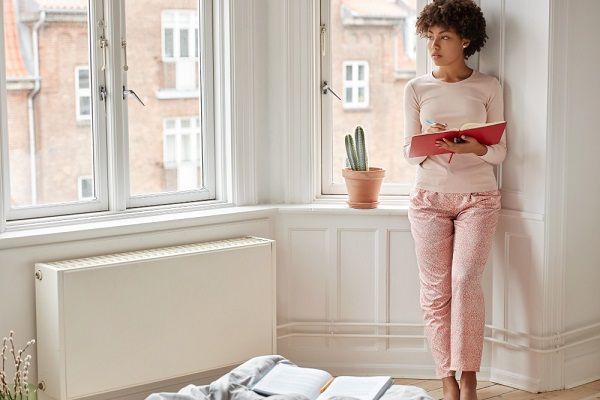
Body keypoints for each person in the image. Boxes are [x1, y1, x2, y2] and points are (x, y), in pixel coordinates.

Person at [402, 1, 506, 399]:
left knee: (465, 282)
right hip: (428, 198)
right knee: (436, 290)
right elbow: (407, 151)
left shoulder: (489, 86)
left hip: (479, 197)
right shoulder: (416, 88)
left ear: (466, 39)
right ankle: (446, 377)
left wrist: (472, 148)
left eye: (444, 37)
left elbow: (500, 152)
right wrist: (433, 140)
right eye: (430, 37)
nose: (435, 45)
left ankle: (469, 375)